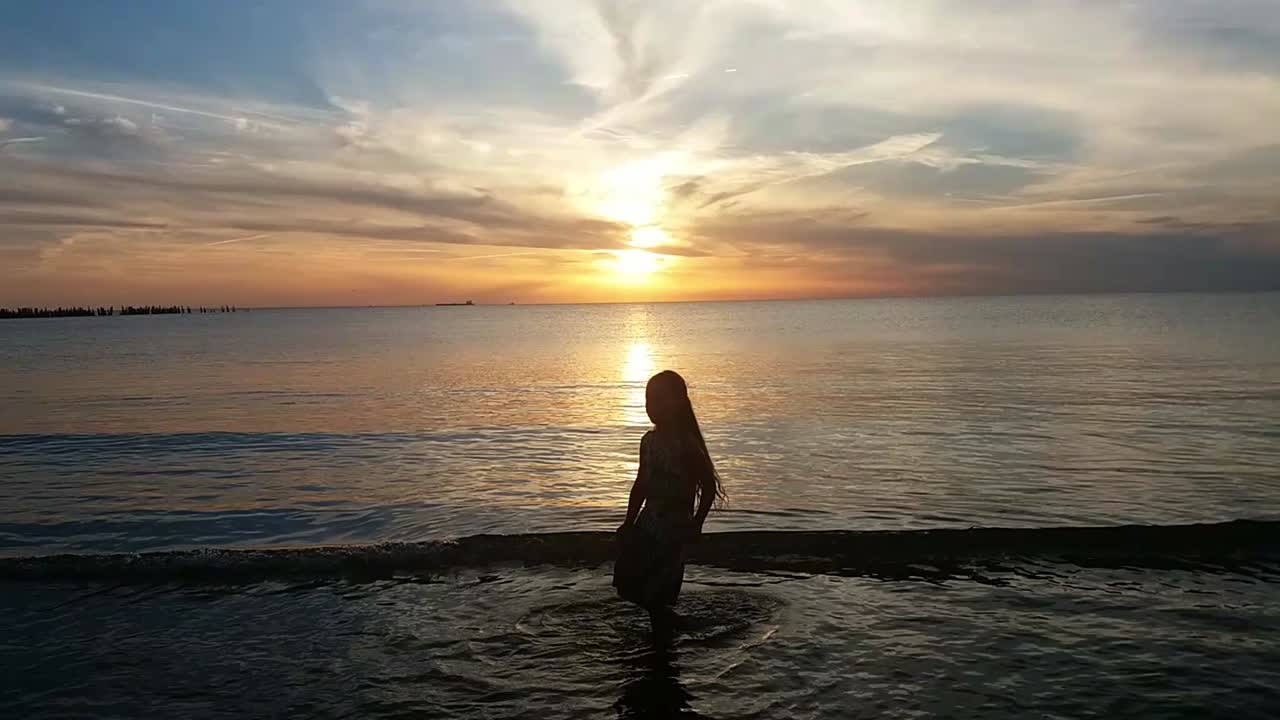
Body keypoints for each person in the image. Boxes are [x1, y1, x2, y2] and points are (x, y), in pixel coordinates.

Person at [613, 370, 725, 633]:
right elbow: (640, 484)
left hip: (674, 528)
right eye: (648, 400)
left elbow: (708, 487)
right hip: (649, 522)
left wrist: (697, 523)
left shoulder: (686, 445)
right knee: (630, 580)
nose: (652, 407)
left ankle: (668, 632)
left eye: (659, 400)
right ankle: (667, 626)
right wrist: (628, 521)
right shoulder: (648, 441)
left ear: (677, 403)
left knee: (657, 587)